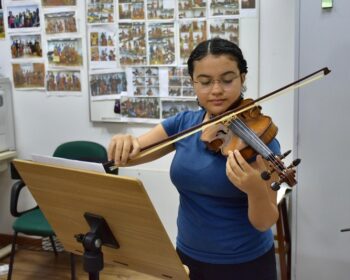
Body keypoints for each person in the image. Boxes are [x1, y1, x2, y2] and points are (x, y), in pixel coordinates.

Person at [108, 37, 280, 280]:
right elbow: (132, 154)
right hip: (188, 257)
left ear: (242, 78)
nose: (217, 90)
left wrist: (255, 190)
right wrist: (123, 141)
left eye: (228, 79)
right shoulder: (183, 124)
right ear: (193, 84)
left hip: (246, 263)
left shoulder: (262, 139)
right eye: (206, 82)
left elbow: (265, 222)